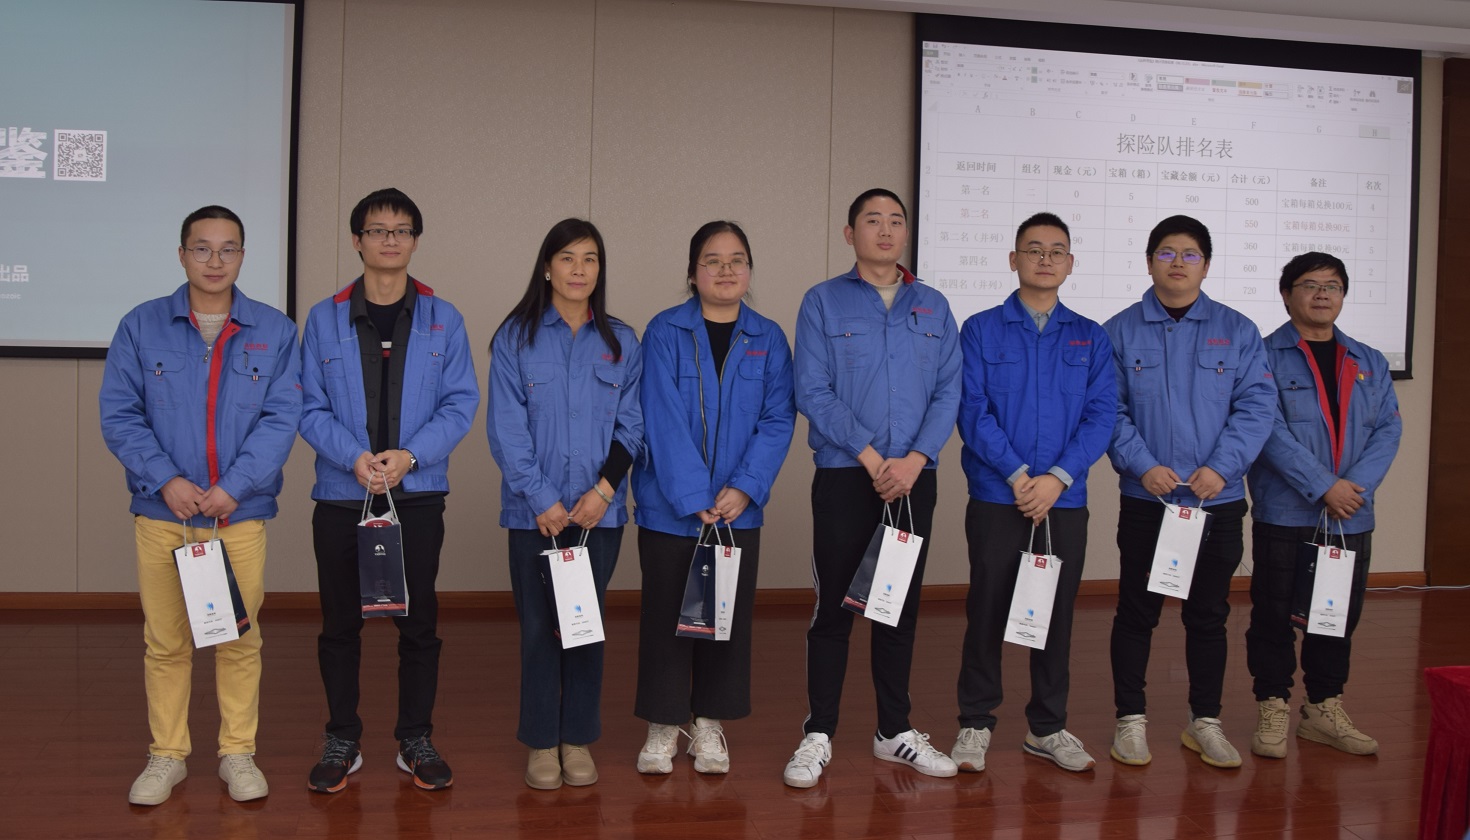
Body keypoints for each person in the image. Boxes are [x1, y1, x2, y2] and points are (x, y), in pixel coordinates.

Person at [100, 205, 302, 805]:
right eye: (202, 248)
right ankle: (167, 756)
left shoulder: (274, 330)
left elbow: (281, 418)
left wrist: (234, 487)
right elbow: (120, 414)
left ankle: (238, 753)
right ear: (182, 253)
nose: (215, 260)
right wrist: (166, 480)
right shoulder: (141, 326)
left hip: (237, 515)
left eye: (228, 248)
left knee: (239, 639)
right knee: (166, 642)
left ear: (243, 256)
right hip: (164, 515)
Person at [299, 188, 478, 793]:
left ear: (415, 241)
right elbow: (307, 404)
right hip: (342, 492)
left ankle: (415, 738)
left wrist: (409, 457)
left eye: (402, 230)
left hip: (416, 493)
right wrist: (353, 458)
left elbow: (460, 402)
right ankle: (342, 738)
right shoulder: (323, 319)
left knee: (418, 623)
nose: (390, 240)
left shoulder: (443, 318)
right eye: (378, 230)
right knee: (339, 624)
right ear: (357, 240)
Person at [783, 188, 962, 788]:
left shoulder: (934, 306)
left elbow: (949, 391)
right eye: (872, 220)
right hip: (845, 475)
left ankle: (894, 732)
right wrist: (870, 455)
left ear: (906, 233)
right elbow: (811, 389)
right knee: (834, 608)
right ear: (849, 233)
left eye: (895, 221)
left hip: (912, 480)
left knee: (896, 609)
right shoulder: (822, 302)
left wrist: (914, 460)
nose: (885, 230)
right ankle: (818, 733)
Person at [1103, 214, 1276, 769]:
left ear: (1206, 264)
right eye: (1167, 253)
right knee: (1137, 613)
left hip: (1214, 501)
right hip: (1147, 498)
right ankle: (1130, 721)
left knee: (1208, 615)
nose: (1178, 263)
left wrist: (1221, 470)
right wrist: (1142, 465)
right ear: (1148, 261)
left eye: (1190, 254)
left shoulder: (1238, 330)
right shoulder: (1119, 330)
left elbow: (1257, 407)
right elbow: (1107, 410)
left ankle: (1205, 721)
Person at [951, 212, 1116, 774]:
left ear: (1070, 263)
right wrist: (1019, 476)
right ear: (1013, 259)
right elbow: (972, 411)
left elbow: (1101, 416)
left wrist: (1057, 478)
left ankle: (1047, 727)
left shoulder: (1091, 336)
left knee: (1055, 614)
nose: (1045, 259)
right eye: (1033, 249)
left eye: (1056, 251)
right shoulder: (980, 330)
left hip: (1063, 500)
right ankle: (975, 723)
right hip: (999, 496)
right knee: (987, 609)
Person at [631, 221, 795, 776]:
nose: (726, 270)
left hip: (735, 511)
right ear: (692, 272)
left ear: (749, 270)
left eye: (736, 259)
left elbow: (778, 418)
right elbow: (659, 415)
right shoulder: (664, 331)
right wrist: (694, 493)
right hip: (670, 508)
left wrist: (744, 487)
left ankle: (708, 724)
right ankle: (662, 725)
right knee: (666, 619)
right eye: (712, 260)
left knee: (724, 619)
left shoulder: (769, 338)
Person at [487, 218, 643, 790]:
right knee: (538, 630)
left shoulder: (622, 341)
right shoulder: (516, 337)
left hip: (599, 515)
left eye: (590, 259)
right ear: (547, 267)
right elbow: (506, 429)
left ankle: (576, 739)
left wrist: (603, 492)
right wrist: (542, 499)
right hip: (535, 515)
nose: (580, 270)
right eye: (568, 258)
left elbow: (633, 425)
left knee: (585, 626)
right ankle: (540, 743)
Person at [1244, 252, 1401, 759]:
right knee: (1273, 614)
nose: (1321, 294)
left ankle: (1323, 708)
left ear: (1343, 295)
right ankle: (1272, 704)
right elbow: (1266, 429)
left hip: (1350, 513)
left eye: (1332, 285)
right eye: (1309, 284)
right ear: (1286, 294)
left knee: (1336, 616)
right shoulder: (1262, 355)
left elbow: (1387, 430)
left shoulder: (1369, 359)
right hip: (1286, 511)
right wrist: (1323, 486)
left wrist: (1353, 488)